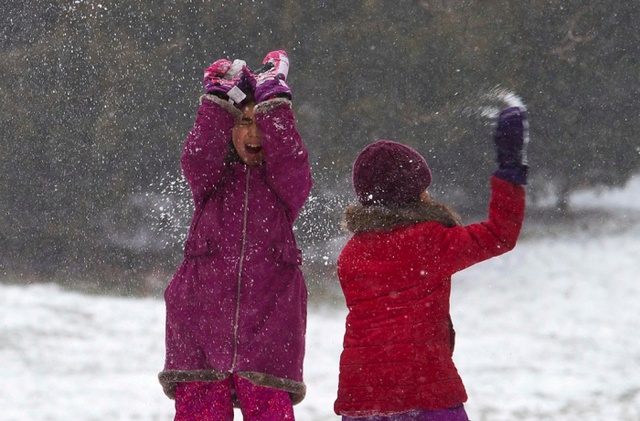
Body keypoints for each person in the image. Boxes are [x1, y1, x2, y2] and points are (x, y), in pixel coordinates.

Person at [334, 107, 529, 420]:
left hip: (362, 397)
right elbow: (500, 234)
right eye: (422, 186)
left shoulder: (350, 254)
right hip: (425, 390)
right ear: (412, 195)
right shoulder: (428, 242)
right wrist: (509, 169)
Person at [158, 50, 312, 420]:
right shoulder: (210, 182)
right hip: (199, 334)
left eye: (261, 123)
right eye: (243, 121)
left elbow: (292, 160)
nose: (253, 132)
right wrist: (218, 101)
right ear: (229, 127)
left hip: (270, 336)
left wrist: (273, 101)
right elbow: (197, 155)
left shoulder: (284, 190)